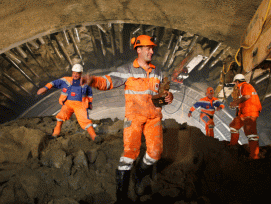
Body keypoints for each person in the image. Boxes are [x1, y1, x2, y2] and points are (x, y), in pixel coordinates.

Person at [81, 35, 173, 202]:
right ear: (138, 50)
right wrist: (92, 80)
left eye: (152, 48)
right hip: (135, 117)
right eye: (148, 48)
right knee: (129, 153)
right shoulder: (127, 70)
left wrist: (168, 97)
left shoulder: (158, 71)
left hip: (154, 118)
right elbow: (107, 82)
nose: (152, 51)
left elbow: (159, 96)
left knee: (155, 154)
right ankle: (121, 196)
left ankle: (139, 173)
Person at [37, 64, 101, 143]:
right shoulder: (66, 80)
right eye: (74, 73)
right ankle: (55, 134)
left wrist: (90, 103)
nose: (75, 75)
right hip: (68, 104)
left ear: (81, 73)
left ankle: (94, 136)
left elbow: (90, 94)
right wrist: (45, 88)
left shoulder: (85, 84)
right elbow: (54, 83)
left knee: (85, 120)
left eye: (77, 73)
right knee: (60, 117)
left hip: (80, 105)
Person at [229, 74, 262, 159]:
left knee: (250, 133)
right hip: (244, 113)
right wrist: (237, 104)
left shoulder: (245, 86)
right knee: (234, 126)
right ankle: (233, 146)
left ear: (237, 81)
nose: (235, 85)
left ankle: (254, 156)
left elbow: (247, 96)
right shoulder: (242, 88)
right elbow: (244, 100)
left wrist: (235, 102)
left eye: (235, 83)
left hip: (250, 113)